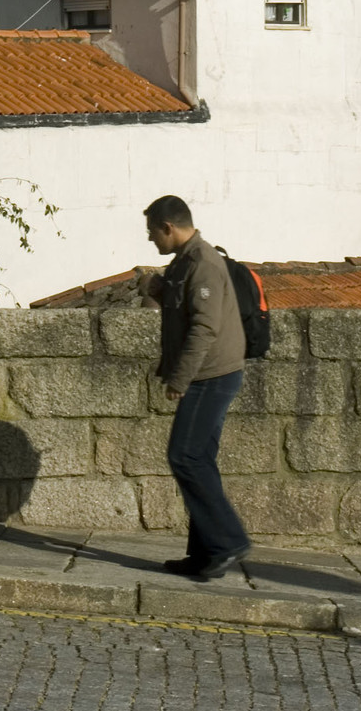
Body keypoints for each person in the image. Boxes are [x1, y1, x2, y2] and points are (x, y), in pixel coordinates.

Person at [141, 194, 251, 582]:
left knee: (184, 457)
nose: (151, 240)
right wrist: (156, 288)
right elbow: (183, 308)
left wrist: (179, 379)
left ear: (168, 227)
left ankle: (229, 542)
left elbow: (205, 327)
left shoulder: (203, 262)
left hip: (212, 375)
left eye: (153, 232)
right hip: (212, 373)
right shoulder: (186, 261)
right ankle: (205, 553)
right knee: (199, 460)